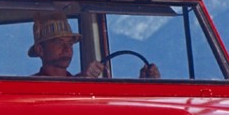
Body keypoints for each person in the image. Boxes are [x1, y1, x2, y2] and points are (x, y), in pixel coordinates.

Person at [27, 11, 159, 79]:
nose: (67, 49)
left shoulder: (86, 88)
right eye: (59, 42)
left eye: (70, 43)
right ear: (40, 49)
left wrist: (145, 83)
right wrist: (82, 80)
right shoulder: (29, 88)